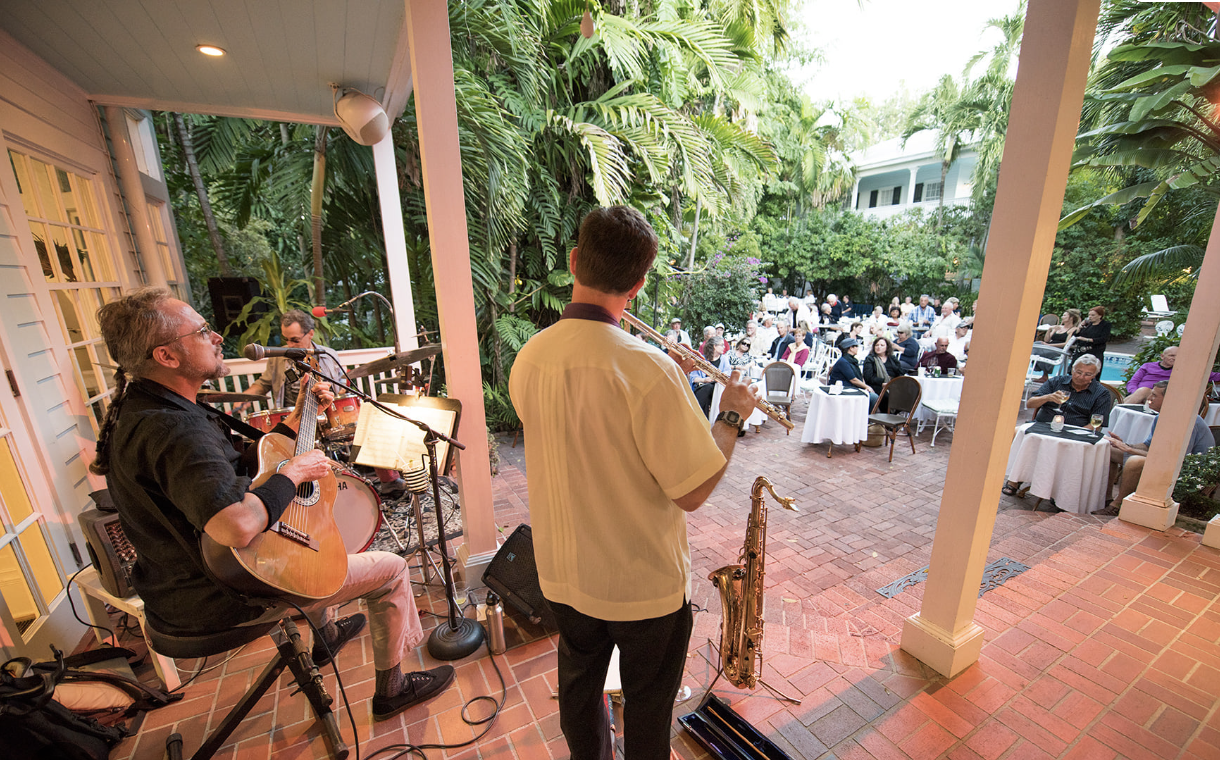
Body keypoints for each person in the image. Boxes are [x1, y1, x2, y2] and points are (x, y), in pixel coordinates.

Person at [91, 288, 453, 722]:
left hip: (178, 587)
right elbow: (238, 527)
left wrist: (297, 418)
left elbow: (241, 466)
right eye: (203, 331)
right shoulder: (176, 431)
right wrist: (292, 474)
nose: (217, 336)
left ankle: (328, 634)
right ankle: (392, 689)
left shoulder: (147, 408)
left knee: (310, 545)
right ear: (167, 356)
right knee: (390, 568)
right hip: (217, 597)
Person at [509, 206, 759, 759]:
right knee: (648, 708)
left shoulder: (530, 357)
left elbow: (585, 433)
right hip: (642, 587)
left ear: (574, 261)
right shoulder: (647, 370)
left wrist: (664, 377)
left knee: (579, 690)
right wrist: (732, 416)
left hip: (565, 575)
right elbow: (692, 490)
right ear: (639, 284)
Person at [1096, 380, 1215, 515]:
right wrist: (1124, 444)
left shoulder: (1187, 420)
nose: (1149, 399)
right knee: (1109, 450)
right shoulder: (1160, 416)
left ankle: (1118, 505)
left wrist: (1130, 450)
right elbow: (1147, 446)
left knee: (1135, 461)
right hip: (1167, 460)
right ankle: (1106, 499)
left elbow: (1176, 460)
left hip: (1189, 470)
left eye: (1154, 395)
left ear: (1169, 399)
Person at [1124, 346, 1220, 405]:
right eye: (1172, 356)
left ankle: (1115, 414)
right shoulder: (1148, 366)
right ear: (1162, 356)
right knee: (1143, 390)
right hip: (1140, 395)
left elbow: (1214, 376)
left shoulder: (1184, 370)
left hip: (1164, 399)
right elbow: (1133, 382)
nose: (1175, 359)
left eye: (1179, 356)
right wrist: (1136, 394)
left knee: (1143, 390)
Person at [827, 338, 878, 408]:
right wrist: (867, 387)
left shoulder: (851, 360)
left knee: (873, 396)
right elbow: (853, 379)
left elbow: (859, 376)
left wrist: (864, 386)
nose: (857, 348)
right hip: (843, 389)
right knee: (874, 397)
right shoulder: (843, 361)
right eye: (856, 346)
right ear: (851, 348)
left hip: (851, 387)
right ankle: (866, 416)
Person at [862, 336, 902, 408]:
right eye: (877, 345)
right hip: (877, 384)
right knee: (887, 397)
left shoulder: (892, 358)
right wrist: (882, 382)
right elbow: (868, 377)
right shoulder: (870, 359)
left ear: (887, 347)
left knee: (906, 394)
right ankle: (887, 415)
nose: (878, 347)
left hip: (893, 383)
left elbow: (900, 372)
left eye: (882, 345)